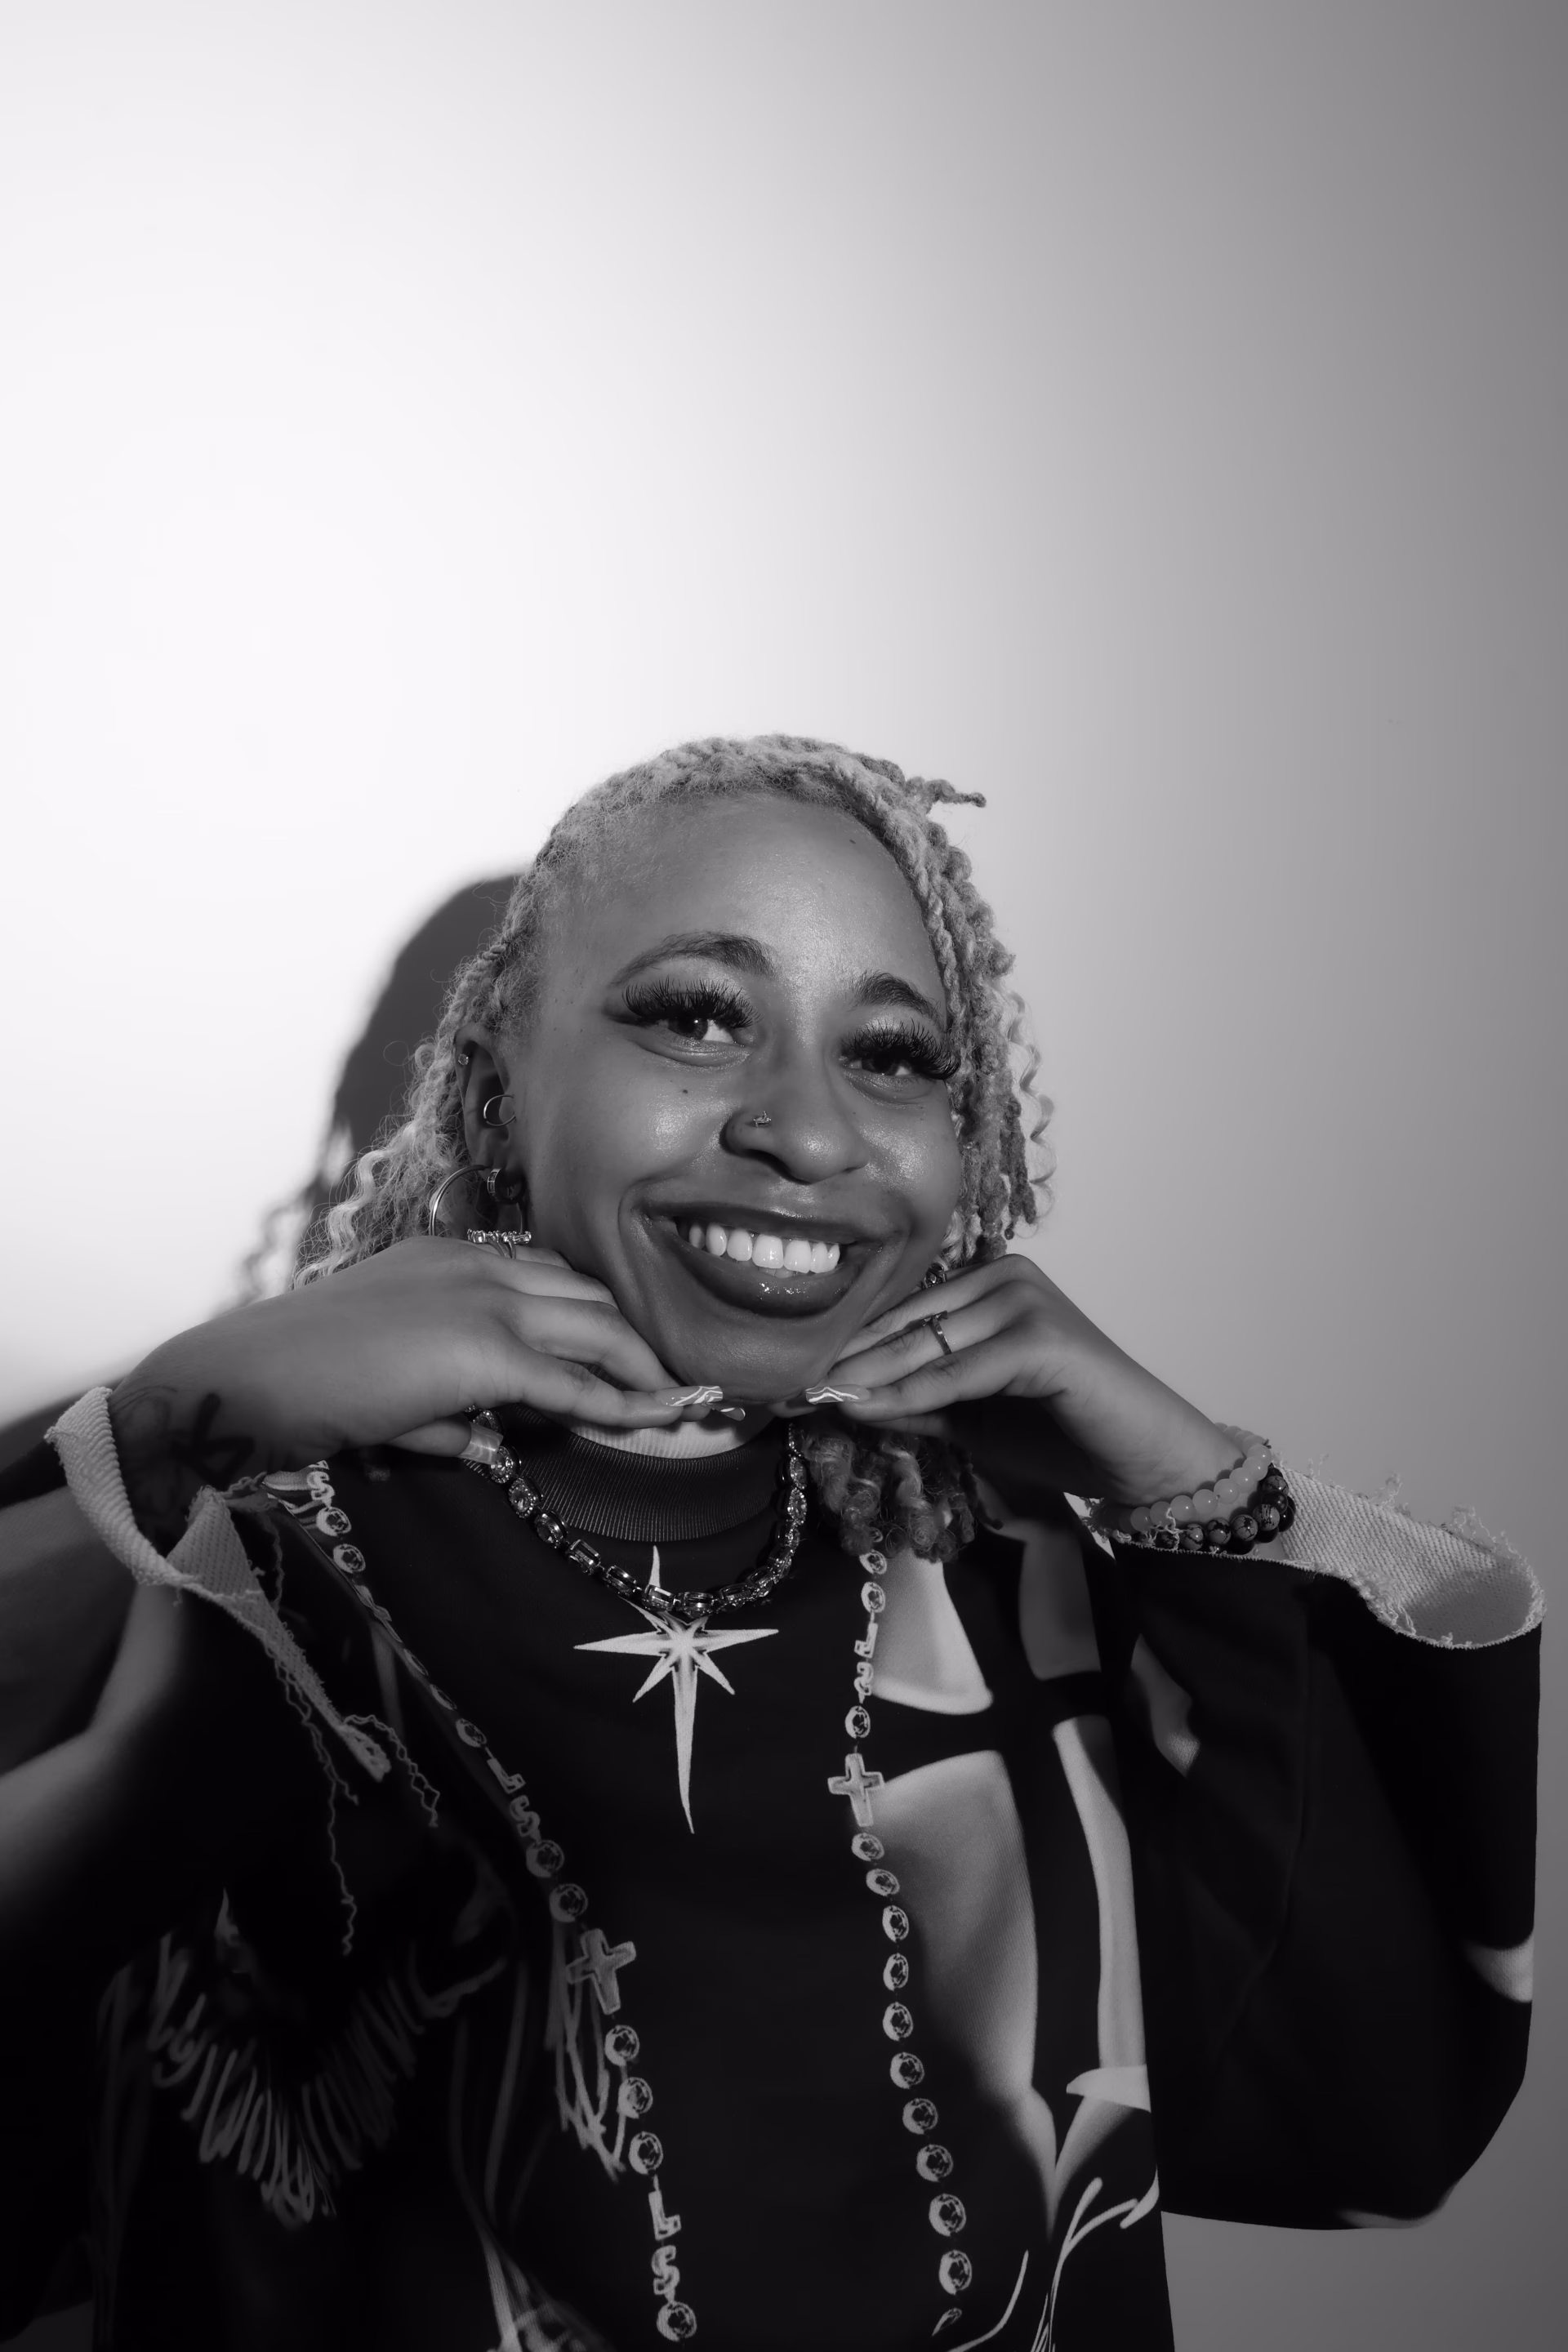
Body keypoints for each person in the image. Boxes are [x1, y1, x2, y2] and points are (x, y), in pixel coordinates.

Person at [0, 735, 1540, 2352]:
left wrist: (1195, 1483)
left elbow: (1371, 2122)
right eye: (695, 1014)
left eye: (892, 1054)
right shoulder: (249, 1547)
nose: (809, 1131)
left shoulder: (995, 1556)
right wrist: (177, 1425)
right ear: (501, 1080)